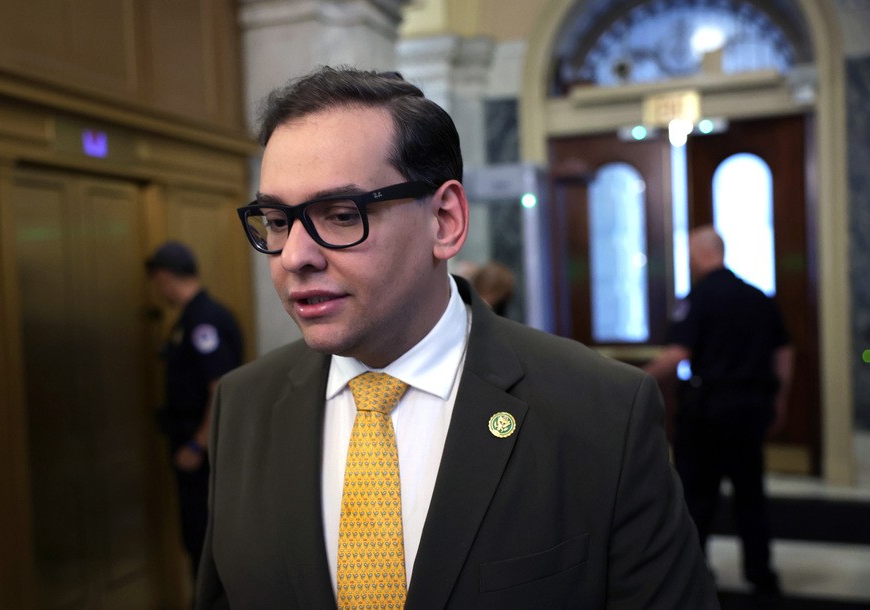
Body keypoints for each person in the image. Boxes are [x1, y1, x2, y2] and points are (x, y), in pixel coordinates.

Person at [195, 66, 717, 608]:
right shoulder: (243, 405)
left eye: (341, 215)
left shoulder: (603, 412)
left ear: (444, 220)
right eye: (278, 221)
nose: (295, 257)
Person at [644, 226, 794, 599]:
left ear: (697, 255)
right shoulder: (757, 297)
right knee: (751, 495)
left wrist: (632, 382)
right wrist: (780, 400)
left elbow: (678, 354)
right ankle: (761, 575)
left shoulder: (700, 297)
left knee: (697, 497)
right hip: (749, 411)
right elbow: (784, 353)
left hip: (707, 414)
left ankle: (697, 573)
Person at [146, 241, 243, 582]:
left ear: (162, 277)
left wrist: (197, 444)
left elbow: (219, 387)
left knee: (203, 538)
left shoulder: (203, 320)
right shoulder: (195, 316)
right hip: (195, 442)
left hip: (202, 451)